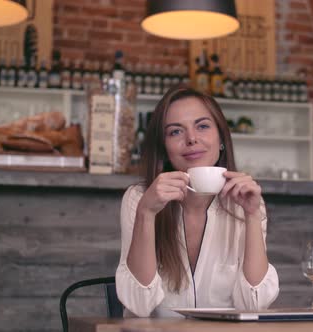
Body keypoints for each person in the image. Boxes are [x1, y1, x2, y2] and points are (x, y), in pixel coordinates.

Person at [115, 85, 280, 317]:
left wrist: (252, 216)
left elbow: (254, 305)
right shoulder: (139, 199)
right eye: (175, 132)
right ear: (164, 148)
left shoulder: (245, 203)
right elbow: (138, 305)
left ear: (221, 138)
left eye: (202, 126)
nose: (191, 139)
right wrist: (146, 213)